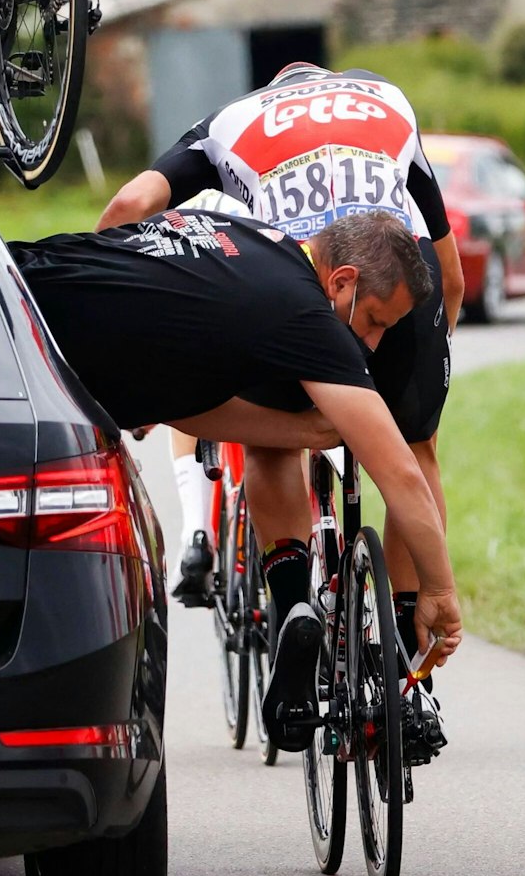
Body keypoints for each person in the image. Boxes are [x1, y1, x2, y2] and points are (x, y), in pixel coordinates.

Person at [95, 63, 464, 746]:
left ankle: (294, 601)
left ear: (276, 90)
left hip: (298, 276)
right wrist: (427, 364)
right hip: (398, 271)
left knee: (272, 442)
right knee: (413, 453)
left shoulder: (233, 121)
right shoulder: (387, 101)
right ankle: (407, 675)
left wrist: (119, 320)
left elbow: (128, 204)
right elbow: (451, 272)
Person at [12, 205, 464, 748]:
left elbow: (186, 410)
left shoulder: (256, 243)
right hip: (14, 339)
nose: (370, 344)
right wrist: (439, 591)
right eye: (374, 321)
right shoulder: (305, 316)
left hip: (11, 271)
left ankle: (290, 603)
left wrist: (302, 430)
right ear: (342, 281)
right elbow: (402, 476)